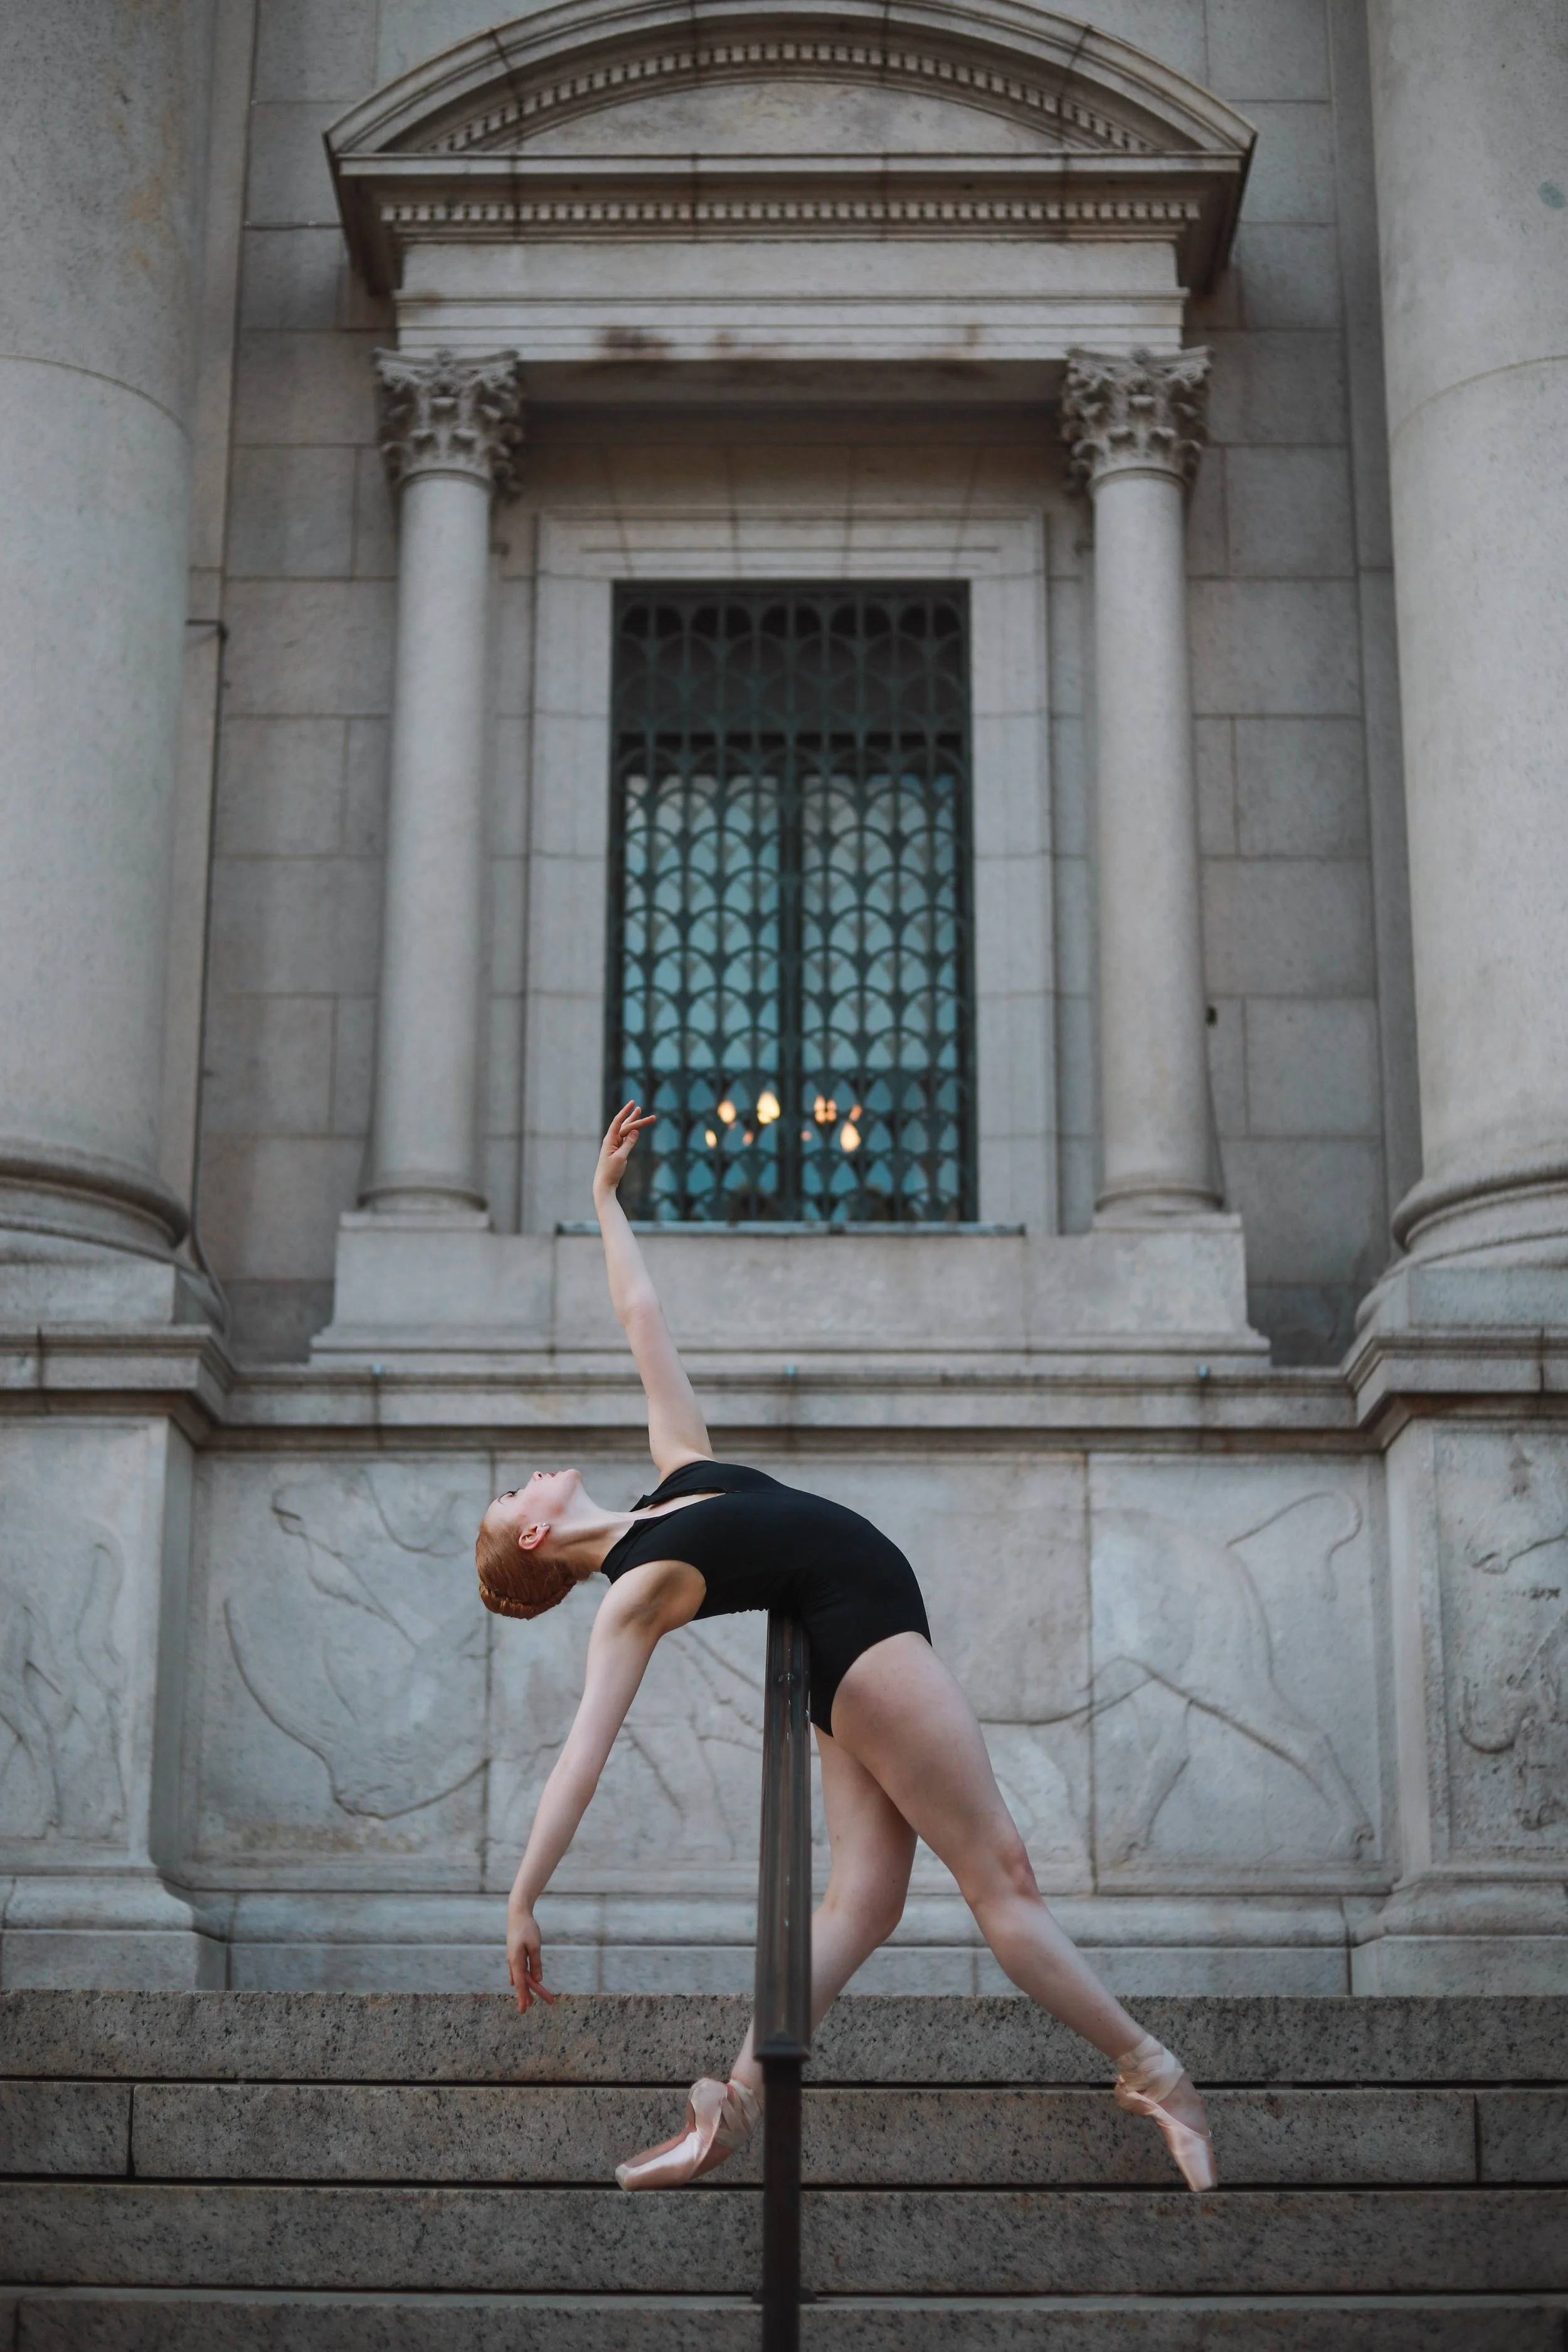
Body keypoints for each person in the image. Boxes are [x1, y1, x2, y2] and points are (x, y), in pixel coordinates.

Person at [476, 1103, 1217, 2194]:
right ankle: (1152, 2068)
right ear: (535, 1535)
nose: (525, 1476)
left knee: (863, 1904)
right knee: (1002, 1874)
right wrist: (524, 1894)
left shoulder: (673, 1482)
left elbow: (645, 1322)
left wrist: (604, 1206)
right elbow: (583, 1752)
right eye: (510, 1497)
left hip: (850, 1647)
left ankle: (728, 2107)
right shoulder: (633, 1591)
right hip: (859, 1640)